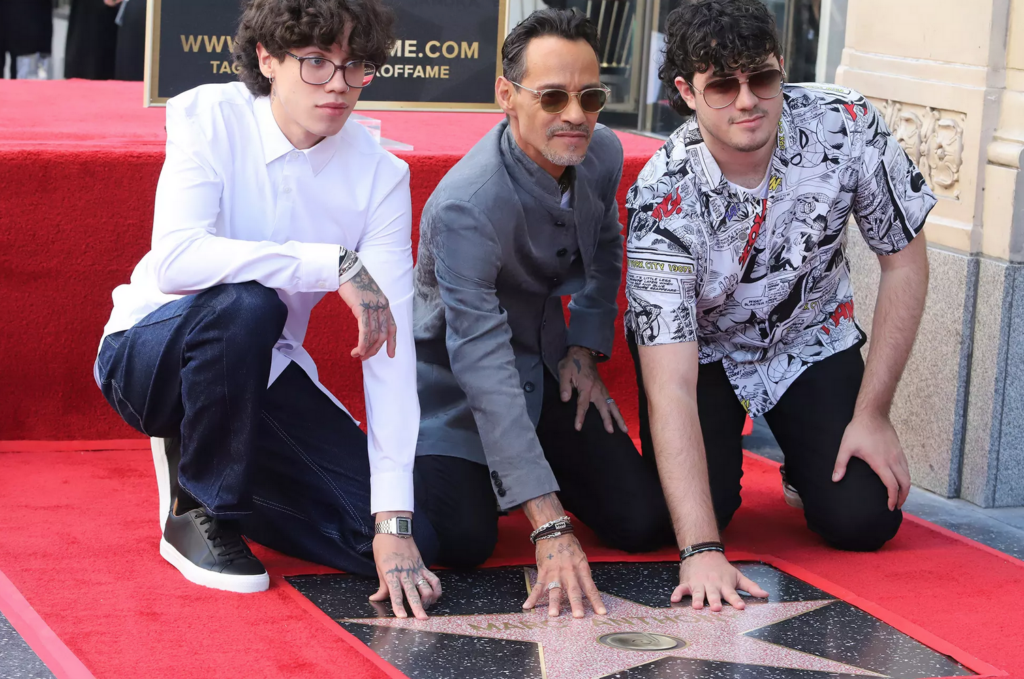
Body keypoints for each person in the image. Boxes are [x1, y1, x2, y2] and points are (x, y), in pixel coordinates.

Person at [94, 0, 441, 618]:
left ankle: (213, 450)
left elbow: (391, 349)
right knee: (248, 305)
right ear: (267, 59)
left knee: (409, 538)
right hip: (149, 353)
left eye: (355, 65)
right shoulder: (209, 117)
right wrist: (332, 262)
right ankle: (198, 507)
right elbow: (177, 261)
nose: (337, 84)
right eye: (314, 62)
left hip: (262, 371)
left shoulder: (379, 175)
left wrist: (393, 519)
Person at [626, 0, 934, 610]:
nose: (748, 101)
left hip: (809, 336)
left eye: (761, 78)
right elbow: (670, 388)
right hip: (704, 352)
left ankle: (805, 466)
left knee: (864, 521)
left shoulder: (846, 122)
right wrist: (701, 550)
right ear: (686, 91)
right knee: (681, 519)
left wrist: (872, 414)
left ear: (780, 68)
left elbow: (904, 260)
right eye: (722, 85)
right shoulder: (660, 195)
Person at [413, 8, 674, 619]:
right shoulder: (466, 206)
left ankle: (535, 466)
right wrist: (550, 525)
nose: (576, 115)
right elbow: (480, 365)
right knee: (465, 541)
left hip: (551, 369)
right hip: (455, 395)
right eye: (553, 96)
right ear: (506, 95)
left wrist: (584, 348)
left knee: (642, 524)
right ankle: (487, 475)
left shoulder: (601, 152)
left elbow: (608, 244)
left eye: (591, 96)